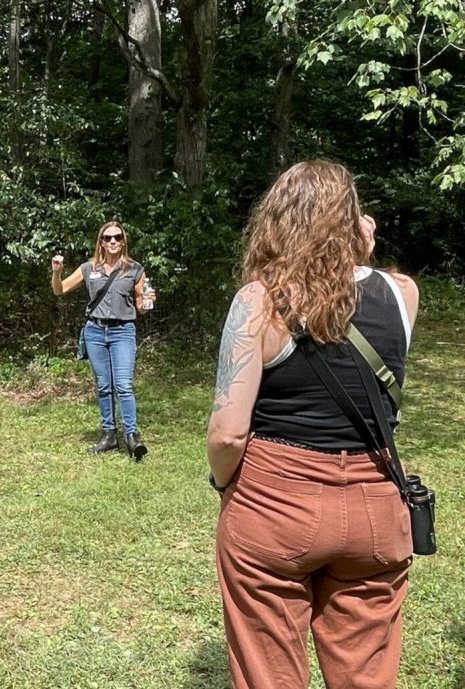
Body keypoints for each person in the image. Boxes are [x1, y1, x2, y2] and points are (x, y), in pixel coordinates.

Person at [207, 160, 419, 689]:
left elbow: (229, 432)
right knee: (366, 670)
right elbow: (357, 291)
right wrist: (361, 255)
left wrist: (222, 480)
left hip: (276, 498)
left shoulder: (258, 301)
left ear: (276, 220)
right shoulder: (402, 294)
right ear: (353, 221)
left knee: (269, 667)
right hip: (376, 498)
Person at [51, 221, 156, 458]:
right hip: (95, 332)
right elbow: (59, 290)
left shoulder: (135, 269)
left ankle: (132, 436)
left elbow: (142, 307)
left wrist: (147, 302)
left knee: (124, 385)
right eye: (108, 238)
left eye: (117, 238)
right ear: (101, 242)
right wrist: (57, 271)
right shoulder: (89, 268)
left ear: (123, 241)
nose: (112, 242)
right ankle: (109, 436)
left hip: (122, 331)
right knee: (104, 386)